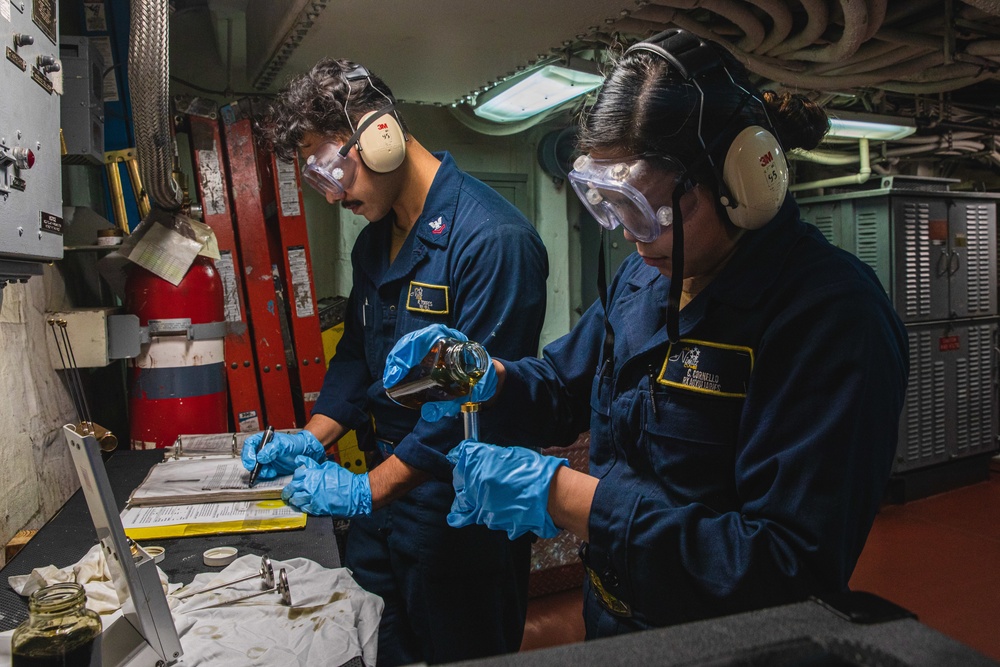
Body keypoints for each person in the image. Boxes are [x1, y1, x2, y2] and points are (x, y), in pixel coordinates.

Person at [387, 29, 909, 638]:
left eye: (645, 208)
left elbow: (785, 564)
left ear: (741, 183)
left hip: (723, 642)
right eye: (609, 205)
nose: (630, 236)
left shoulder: (830, 316)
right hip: (611, 611)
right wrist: (486, 376)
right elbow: (562, 385)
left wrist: (563, 495)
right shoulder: (645, 275)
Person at [244, 58, 549, 665]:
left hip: (459, 516)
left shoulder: (492, 241)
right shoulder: (373, 243)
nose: (331, 195)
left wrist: (367, 491)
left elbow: (474, 404)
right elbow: (360, 355)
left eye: (332, 170)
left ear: (379, 135)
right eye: (316, 178)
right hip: (385, 507)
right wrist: (314, 437)